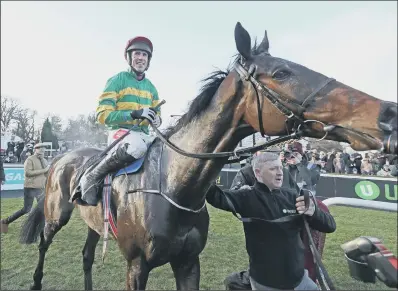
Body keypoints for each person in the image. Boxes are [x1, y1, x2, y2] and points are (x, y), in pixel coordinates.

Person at [206, 152, 336, 290]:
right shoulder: (246, 197)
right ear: (258, 173)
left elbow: (330, 226)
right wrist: (210, 165)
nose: (280, 172)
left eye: (280, 168)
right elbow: (214, 196)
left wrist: (313, 212)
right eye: (273, 169)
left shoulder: (292, 196)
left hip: (301, 281)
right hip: (267, 283)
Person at [74, 36, 162, 206]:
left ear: (148, 60)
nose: (141, 58)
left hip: (144, 135)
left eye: (144, 55)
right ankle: (93, 175)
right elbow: (103, 115)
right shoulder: (117, 80)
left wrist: (157, 119)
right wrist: (133, 114)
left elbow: (156, 112)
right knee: (137, 146)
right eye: (137, 53)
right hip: (120, 133)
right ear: (129, 57)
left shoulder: (152, 88)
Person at [1, 143, 49, 232]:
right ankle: (5, 221)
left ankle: (39, 228)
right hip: (30, 187)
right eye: (40, 149)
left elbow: (46, 174)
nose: (42, 150)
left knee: (43, 208)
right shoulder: (29, 160)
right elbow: (28, 173)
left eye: (44, 149)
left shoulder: (45, 161)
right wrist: (44, 170)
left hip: (41, 188)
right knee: (26, 209)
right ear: (35, 149)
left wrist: (44, 165)